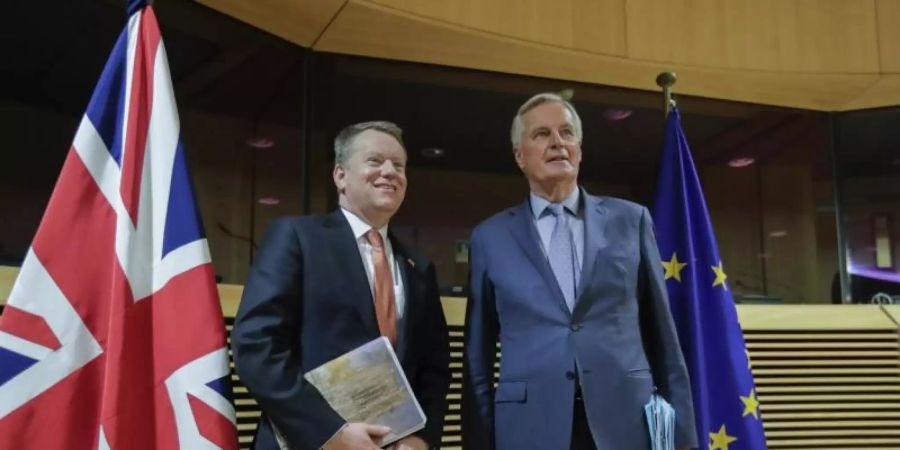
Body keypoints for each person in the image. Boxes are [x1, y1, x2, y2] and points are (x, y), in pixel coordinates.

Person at [462, 93, 697, 450]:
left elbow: (663, 337)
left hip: (625, 422)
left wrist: (683, 442)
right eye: (542, 134)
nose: (558, 142)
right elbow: (477, 359)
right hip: (528, 428)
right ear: (519, 156)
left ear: (580, 149)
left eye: (567, 133)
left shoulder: (631, 221)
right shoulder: (489, 238)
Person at [232, 121, 450, 450]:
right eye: (375, 161)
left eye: (399, 165)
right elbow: (256, 347)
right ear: (340, 176)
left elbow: (435, 368)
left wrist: (422, 437)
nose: (390, 171)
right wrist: (330, 433)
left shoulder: (418, 266)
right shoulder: (297, 238)